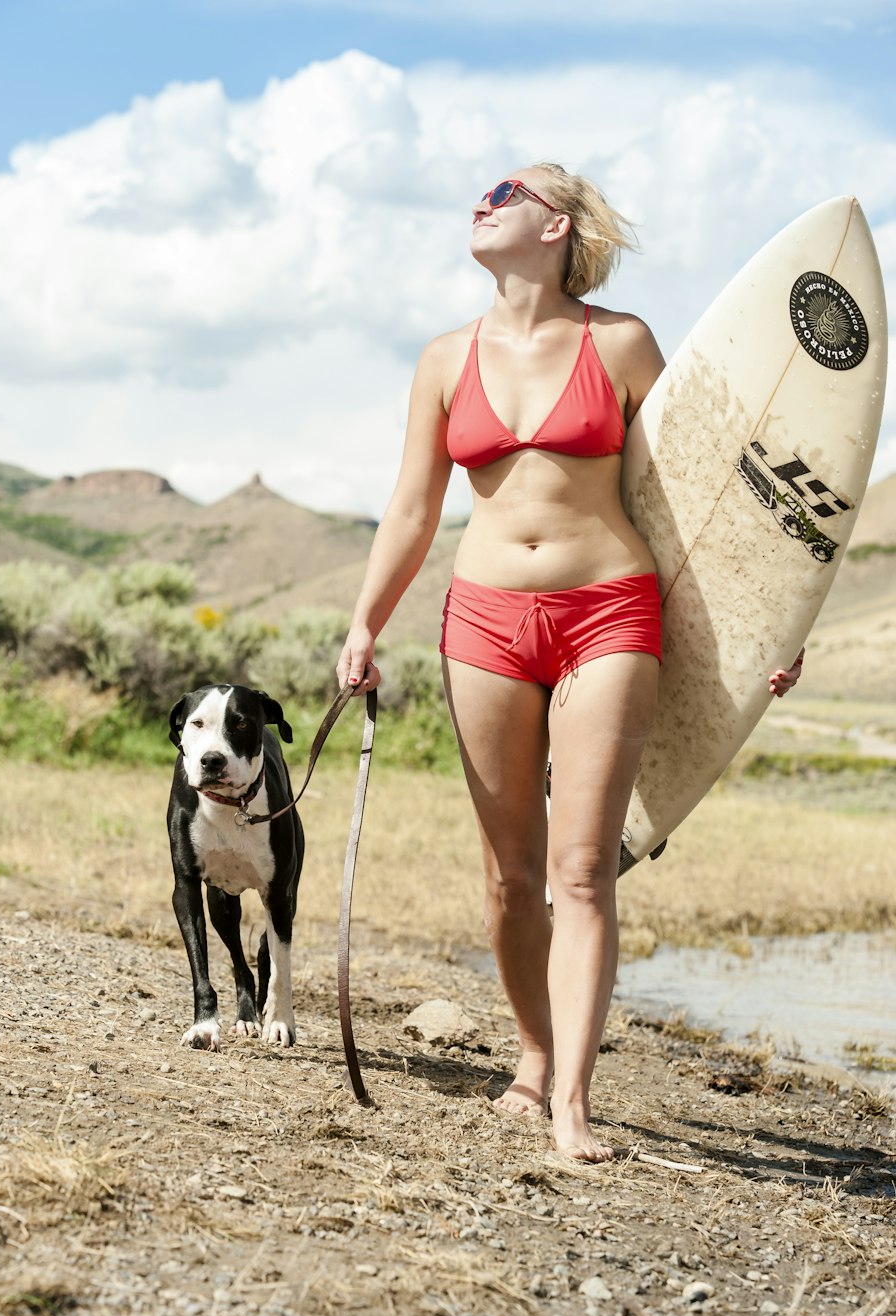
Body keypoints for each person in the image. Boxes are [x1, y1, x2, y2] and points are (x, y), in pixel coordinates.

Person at [337, 163, 802, 1162]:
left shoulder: (621, 342)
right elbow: (414, 509)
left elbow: (703, 503)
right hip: (486, 624)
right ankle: (534, 1055)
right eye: (481, 191)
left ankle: (572, 1106)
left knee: (583, 869)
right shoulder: (441, 359)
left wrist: (775, 625)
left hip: (609, 612)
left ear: (556, 227)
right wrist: (363, 626)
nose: (483, 200)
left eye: (508, 191)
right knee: (511, 878)